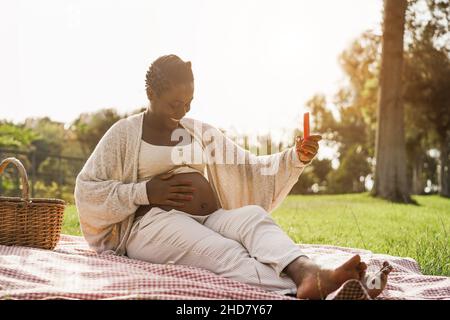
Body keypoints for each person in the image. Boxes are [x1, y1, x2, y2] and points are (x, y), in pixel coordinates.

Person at [74, 54, 391, 299]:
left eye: (189, 102)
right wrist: (145, 192)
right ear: (150, 92)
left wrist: (295, 157)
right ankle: (322, 288)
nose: (183, 110)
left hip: (209, 216)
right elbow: (87, 191)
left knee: (253, 218)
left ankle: (309, 272)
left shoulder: (197, 131)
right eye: (175, 103)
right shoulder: (124, 134)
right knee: (228, 254)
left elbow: (248, 167)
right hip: (153, 225)